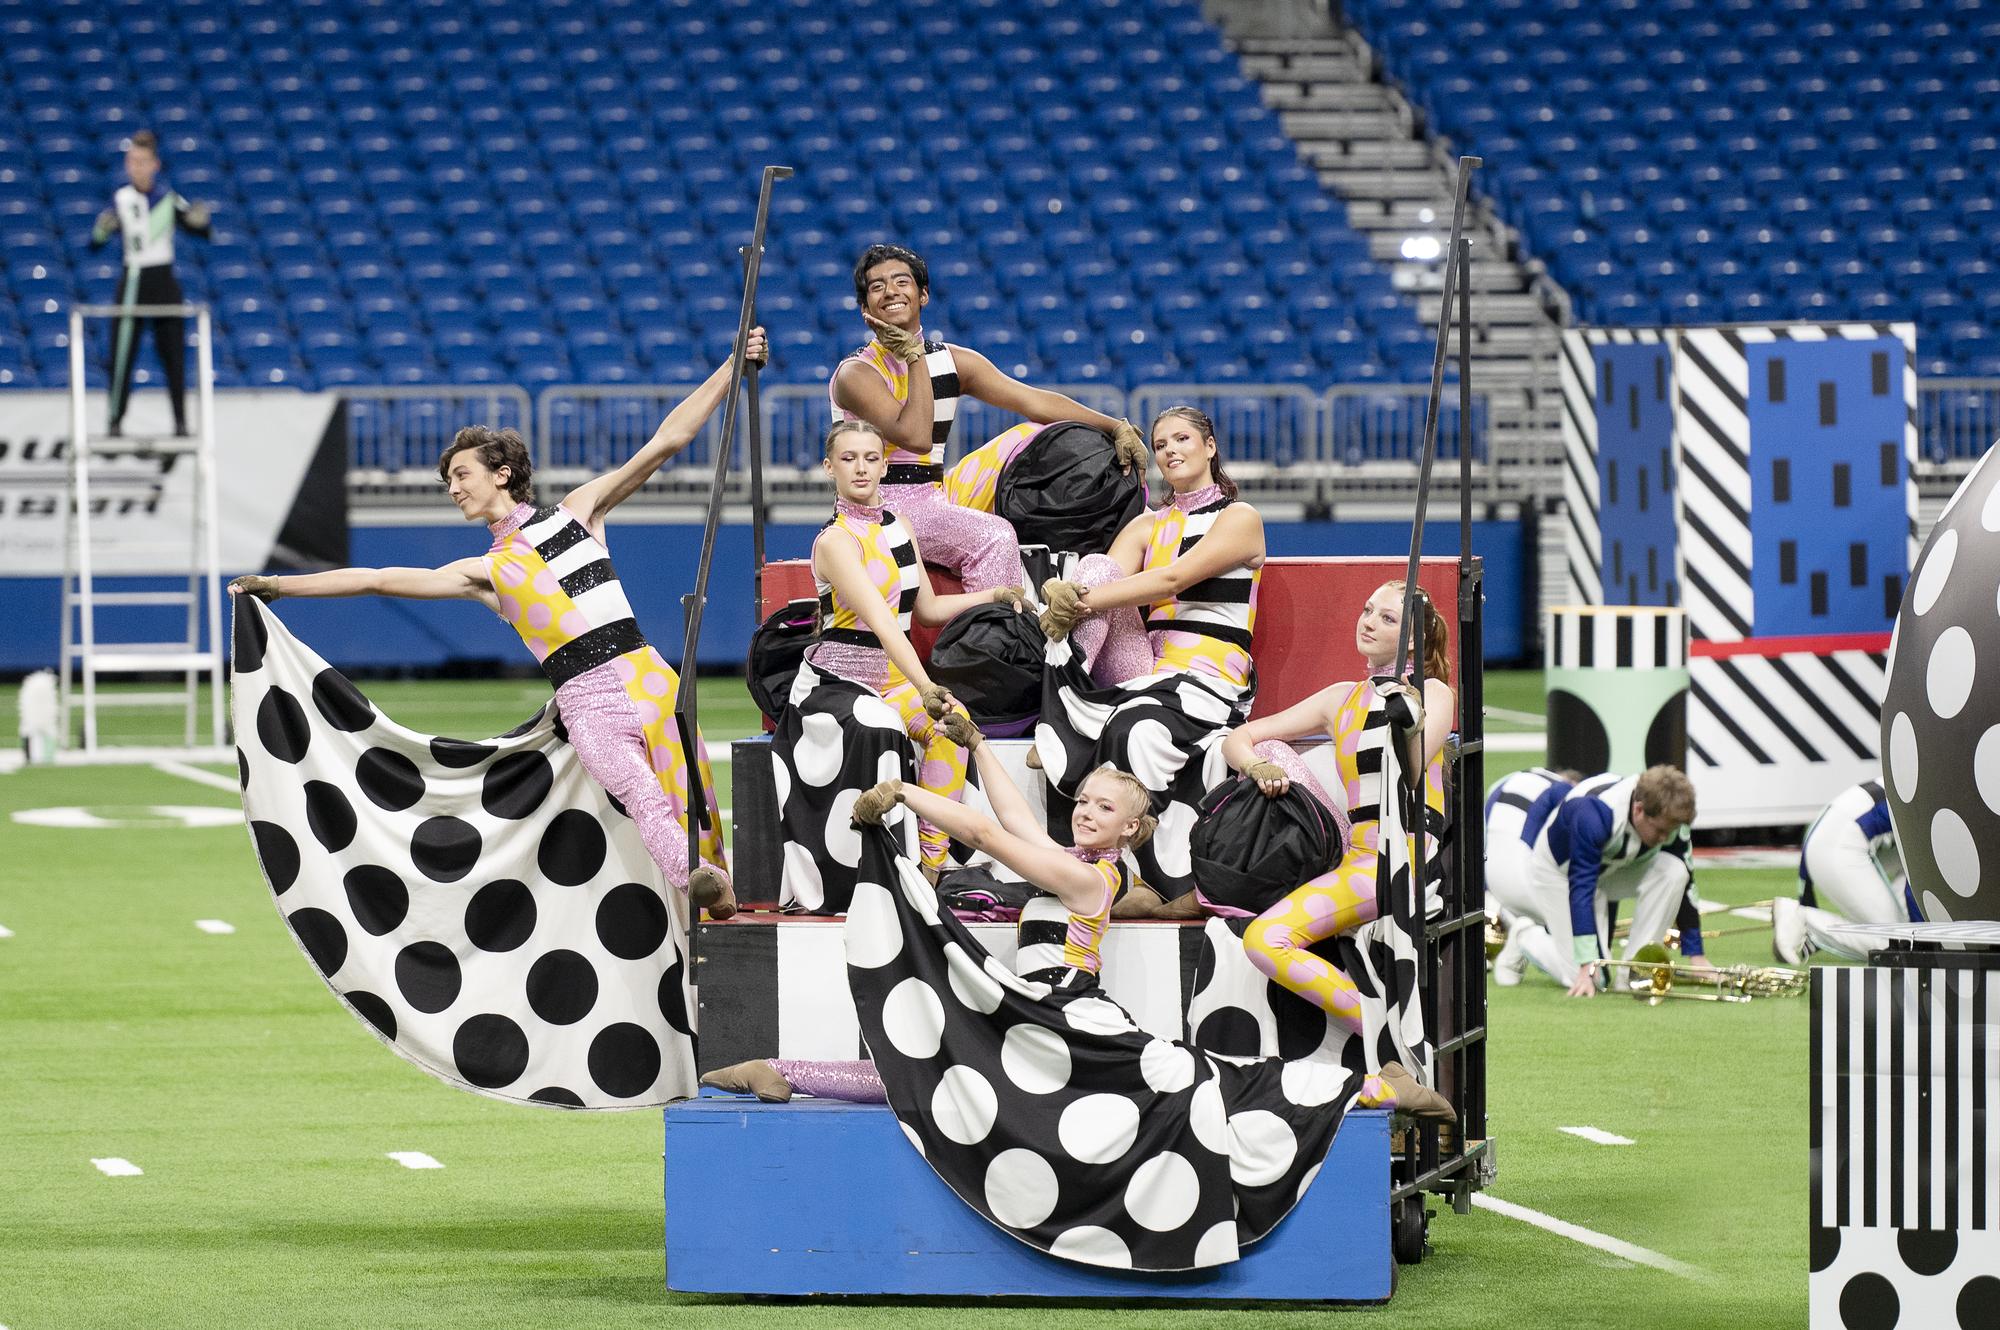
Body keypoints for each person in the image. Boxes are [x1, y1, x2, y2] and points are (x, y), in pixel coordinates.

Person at [229, 333, 767, 916]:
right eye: (449, 482)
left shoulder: (579, 512)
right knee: (640, 792)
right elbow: (378, 577)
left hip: (649, 677)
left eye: (462, 474)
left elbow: (669, 440)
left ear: (503, 473)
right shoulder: (481, 572)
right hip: (586, 699)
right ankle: (696, 881)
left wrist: (733, 364)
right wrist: (279, 585)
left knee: (696, 804)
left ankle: (721, 900)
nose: (454, 489)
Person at [774, 419, 1024, 913]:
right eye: (848, 459)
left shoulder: (898, 526)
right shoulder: (835, 541)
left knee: (955, 726)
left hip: (891, 680)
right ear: (830, 468)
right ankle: (875, 868)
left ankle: (928, 867)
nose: (861, 467)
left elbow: (924, 610)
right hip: (836, 682)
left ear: (885, 464)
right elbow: (886, 626)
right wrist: (928, 685)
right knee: (886, 723)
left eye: (871, 457)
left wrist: (994, 593)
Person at [1034, 407, 1265, 913]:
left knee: (1138, 725)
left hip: (1208, 676)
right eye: (1160, 444)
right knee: (1093, 566)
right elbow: (1103, 579)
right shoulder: (1148, 524)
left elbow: (1170, 582)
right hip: (1150, 670)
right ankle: (1067, 713)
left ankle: (1159, 881)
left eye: (1182, 439)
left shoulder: (1238, 517)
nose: (1170, 451)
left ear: (1210, 446)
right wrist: (1071, 591)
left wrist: (1080, 601)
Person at [829, 243, 1147, 592]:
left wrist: (1114, 425)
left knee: (1035, 433)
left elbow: (1033, 400)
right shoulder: (856, 374)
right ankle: (990, 637)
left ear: (923, 296)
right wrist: (913, 355)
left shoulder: (952, 361)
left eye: (901, 281)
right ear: (865, 309)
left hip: (938, 493)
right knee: (994, 536)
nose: (890, 291)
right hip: (883, 501)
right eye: (877, 286)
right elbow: (916, 436)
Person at [1214, 581, 1454, 1028]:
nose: (1368, 621)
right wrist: (1256, 767)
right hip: (1356, 856)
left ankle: (1384, 1032)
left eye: (1388, 618)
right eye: (1367, 610)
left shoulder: (1434, 693)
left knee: (1266, 939)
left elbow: (1415, 768)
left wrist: (1409, 717)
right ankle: (1383, 1028)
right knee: (1264, 937)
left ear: (1415, 640)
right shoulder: (1339, 697)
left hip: (1403, 855)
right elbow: (1239, 737)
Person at [1488, 766, 1707, 996]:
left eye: (1670, 832)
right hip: (1558, 875)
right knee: (1594, 977)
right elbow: (1581, 887)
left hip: (1612, 866)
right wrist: (1585, 966)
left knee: (1675, 871)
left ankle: (1634, 971)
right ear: (1639, 809)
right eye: (1660, 831)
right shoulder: (1593, 813)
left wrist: (1697, 955)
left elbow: (1687, 882)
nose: (1665, 838)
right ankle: (1526, 935)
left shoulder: (1670, 820)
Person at [90, 129, 211, 438]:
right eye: (131, 161)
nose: (136, 167)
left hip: (163, 279)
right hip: (133, 279)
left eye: (142, 161)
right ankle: (115, 421)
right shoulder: (121, 198)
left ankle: (180, 423)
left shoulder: (168, 200)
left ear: (154, 164)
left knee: (173, 354)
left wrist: (201, 222)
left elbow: (200, 229)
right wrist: (101, 231)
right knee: (122, 354)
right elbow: (97, 240)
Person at [1773, 780, 1912, 964]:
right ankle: (1808, 923)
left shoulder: (1939, 785)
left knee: (1906, 937)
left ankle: (1811, 927)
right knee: (1896, 944)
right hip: (1840, 843)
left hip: (1836, 835)